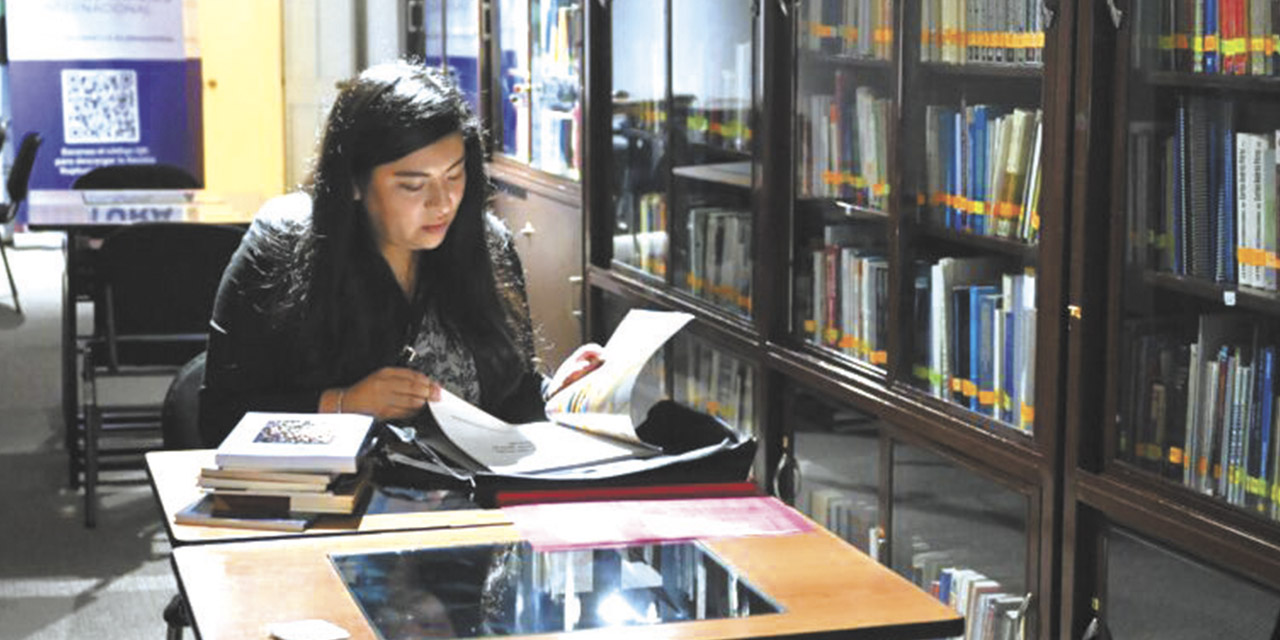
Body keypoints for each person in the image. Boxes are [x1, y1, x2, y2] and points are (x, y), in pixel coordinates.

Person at [200, 60, 599, 444]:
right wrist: (343, 405)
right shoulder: (282, 248)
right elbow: (219, 419)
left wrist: (554, 394)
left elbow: (508, 396)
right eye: (413, 185)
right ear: (353, 182)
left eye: (454, 176)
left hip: (469, 500)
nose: (442, 203)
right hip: (343, 501)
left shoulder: (486, 244)